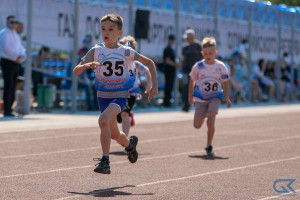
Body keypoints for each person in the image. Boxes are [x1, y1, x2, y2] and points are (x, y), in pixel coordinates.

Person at [73, 14, 158, 174]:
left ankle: (105, 161)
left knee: (103, 120)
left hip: (120, 95)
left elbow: (150, 63)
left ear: (120, 33)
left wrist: (154, 87)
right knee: (114, 134)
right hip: (102, 97)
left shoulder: (126, 51)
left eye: (111, 29)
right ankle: (130, 146)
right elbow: (76, 71)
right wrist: (87, 65)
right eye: (103, 29)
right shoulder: (96, 50)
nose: (106, 32)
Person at [188, 37, 231, 156]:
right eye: (205, 53)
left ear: (215, 53)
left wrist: (226, 97)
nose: (208, 55)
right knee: (197, 125)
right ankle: (205, 113)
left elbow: (225, 82)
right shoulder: (198, 66)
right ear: (202, 53)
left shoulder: (221, 66)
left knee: (211, 121)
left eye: (211, 53)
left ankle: (209, 145)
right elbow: (192, 81)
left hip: (215, 96)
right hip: (201, 98)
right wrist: (190, 97)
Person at [116, 35, 152, 136]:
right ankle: (129, 115)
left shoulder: (135, 63)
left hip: (132, 92)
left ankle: (124, 139)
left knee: (124, 114)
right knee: (118, 117)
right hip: (118, 92)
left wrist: (149, 85)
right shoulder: (117, 62)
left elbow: (147, 71)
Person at [0, 15, 26, 117]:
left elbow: (20, 48)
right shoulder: (3, 34)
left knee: (13, 87)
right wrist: (16, 56)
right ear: (7, 22)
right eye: (11, 22)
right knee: (8, 86)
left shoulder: (15, 35)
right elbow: (6, 48)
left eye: (15, 22)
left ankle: (10, 108)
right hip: (7, 62)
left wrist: (22, 56)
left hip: (15, 63)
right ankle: (7, 110)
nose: (13, 24)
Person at [181, 29, 202, 112]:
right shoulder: (185, 47)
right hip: (187, 70)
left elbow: (202, 58)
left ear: (192, 37)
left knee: (198, 87)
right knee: (186, 87)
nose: (187, 39)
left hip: (197, 71)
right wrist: (181, 67)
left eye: (188, 37)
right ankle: (186, 105)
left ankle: (200, 106)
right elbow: (184, 59)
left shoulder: (198, 46)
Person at [163, 34, 180, 107]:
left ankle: (168, 101)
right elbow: (167, 61)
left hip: (172, 71)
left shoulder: (172, 49)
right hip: (168, 70)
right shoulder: (167, 49)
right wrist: (176, 65)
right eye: (170, 40)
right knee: (168, 86)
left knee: (170, 86)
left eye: (172, 40)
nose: (171, 41)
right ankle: (166, 102)